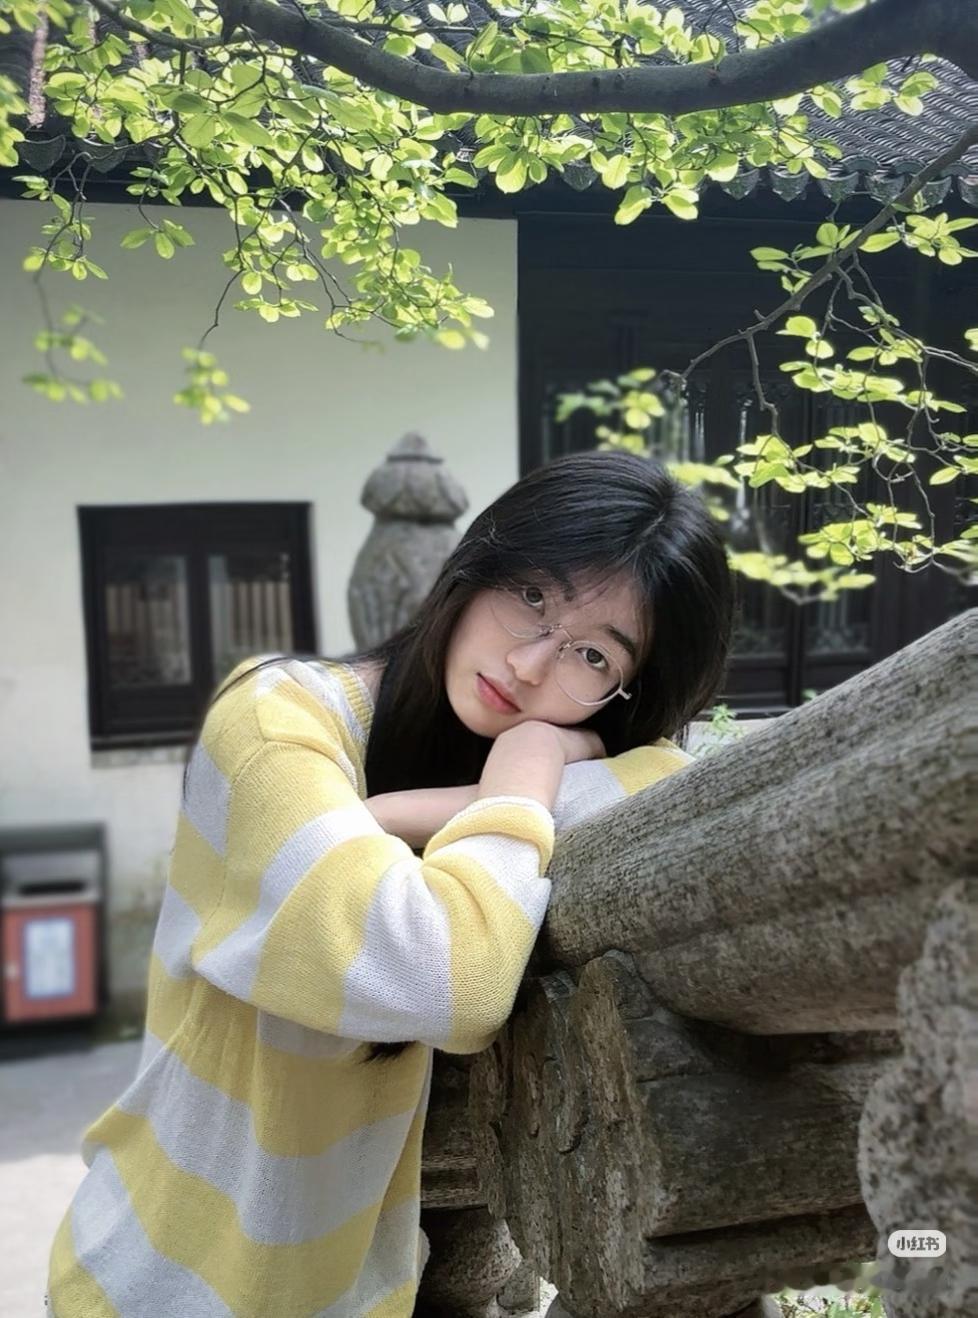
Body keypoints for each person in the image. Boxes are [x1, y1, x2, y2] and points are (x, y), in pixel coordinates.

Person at [47, 451, 734, 1318]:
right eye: (532, 598)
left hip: (355, 1288)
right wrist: (527, 774)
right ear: (475, 565)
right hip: (160, 1278)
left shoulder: (525, 750)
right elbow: (448, 978)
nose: (531, 666)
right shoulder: (273, 718)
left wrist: (440, 794)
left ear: (621, 695)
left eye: (593, 656)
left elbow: (670, 779)